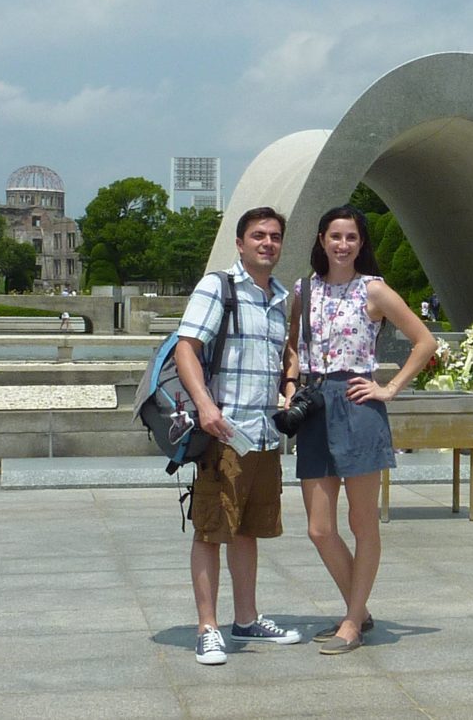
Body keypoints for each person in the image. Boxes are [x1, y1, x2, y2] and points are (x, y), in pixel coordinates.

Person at [283, 205, 437, 655]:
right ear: (321, 239)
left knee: (361, 521)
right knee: (318, 527)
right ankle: (361, 608)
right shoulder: (304, 290)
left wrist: (388, 387)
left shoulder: (374, 290)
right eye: (335, 236)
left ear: (361, 243)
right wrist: (291, 385)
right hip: (313, 405)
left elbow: (425, 340)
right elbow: (293, 346)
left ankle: (352, 620)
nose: (343, 245)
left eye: (351, 237)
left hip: (357, 402)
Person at [175, 206, 301, 666]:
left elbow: (285, 358)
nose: (267, 243)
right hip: (224, 433)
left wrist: (289, 388)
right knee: (211, 530)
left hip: (265, 435)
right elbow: (187, 348)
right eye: (258, 236)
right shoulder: (219, 287)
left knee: (247, 528)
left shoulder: (280, 297)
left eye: (274, 237)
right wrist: (206, 407)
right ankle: (207, 626)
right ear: (240, 243)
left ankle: (246, 618)